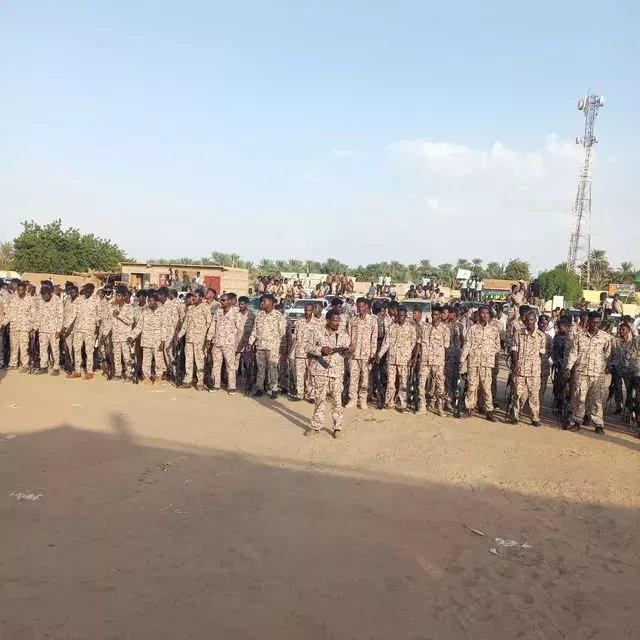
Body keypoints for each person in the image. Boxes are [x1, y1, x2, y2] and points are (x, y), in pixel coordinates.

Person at [565, 311, 612, 435]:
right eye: (593, 322)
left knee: (596, 400)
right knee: (579, 397)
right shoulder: (580, 336)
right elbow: (573, 353)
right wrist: (568, 368)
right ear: (588, 322)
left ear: (600, 323)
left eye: (598, 322)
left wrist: (600, 365)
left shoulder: (605, 337)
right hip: (581, 373)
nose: (595, 325)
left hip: (597, 375)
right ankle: (576, 422)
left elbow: (607, 353)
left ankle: (598, 424)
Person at [306, 309, 351, 438]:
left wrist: (348, 349)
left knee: (337, 400)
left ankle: (337, 427)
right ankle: (316, 426)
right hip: (321, 371)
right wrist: (321, 349)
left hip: (336, 372)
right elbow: (307, 347)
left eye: (339, 320)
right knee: (319, 399)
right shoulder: (317, 331)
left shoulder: (343, 334)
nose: (338, 323)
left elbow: (348, 347)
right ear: (328, 320)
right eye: (335, 320)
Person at [460, 305, 501, 421]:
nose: (484, 315)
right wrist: (462, 359)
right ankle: (470, 408)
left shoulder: (494, 330)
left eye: (486, 313)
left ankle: (489, 411)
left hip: (487, 363)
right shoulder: (472, 329)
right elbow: (467, 345)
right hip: (473, 362)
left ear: (489, 315)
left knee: (487, 387)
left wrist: (488, 352)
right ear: (478, 315)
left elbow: (498, 346)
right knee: (472, 386)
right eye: (482, 313)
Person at [377, 306, 417, 412]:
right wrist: (380, 355)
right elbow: (386, 343)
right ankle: (389, 403)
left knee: (403, 383)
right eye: (399, 316)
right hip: (392, 359)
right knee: (390, 382)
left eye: (402, 316)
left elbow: (413, 343)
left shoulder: (411, 328)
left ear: (406, 316)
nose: (400, 318)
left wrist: (408, 353)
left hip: (404, 360)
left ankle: (403, 404)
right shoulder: (391, 327)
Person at [510, 310, 547, 426]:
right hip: (520, 369)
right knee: (517, 394)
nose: (529, 322)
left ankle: (535, 418)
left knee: (534, 395)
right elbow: (514, 349)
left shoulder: (541, 336)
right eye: (527, 320)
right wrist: (516, 364)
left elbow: (541, 353)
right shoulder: (518, 333)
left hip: (534, 371)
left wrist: (534, 364)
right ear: (524, 321)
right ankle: (515, 415)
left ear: (535, 321)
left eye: (532, 320)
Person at [248, 294, 285, 399]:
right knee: (260, 368)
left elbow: (282, 332)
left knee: (273, 368)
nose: (262, 303)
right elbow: (255, 330)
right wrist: (250, 343)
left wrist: (282, 347)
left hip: (273, 347)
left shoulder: (278, 315)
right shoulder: (259, 314)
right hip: (260, 346)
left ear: (270, 303)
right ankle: (260, 388)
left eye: (264, 301)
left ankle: (274, 389)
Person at [206, 293, 242, 394]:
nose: (221, 302)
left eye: (223, 300)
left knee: (230, 365)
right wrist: (209, 339)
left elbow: (240, 330)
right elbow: (213, 326)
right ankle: (216, 384)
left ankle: (232, 386)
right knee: (216, 364)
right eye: (221, 300)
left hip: (229, 344)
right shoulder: (218, 312)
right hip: (217, 342)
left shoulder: (236, 313)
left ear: (230, 301)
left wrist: (237, 343)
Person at [417, 305, 450, 415]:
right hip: (425, 361)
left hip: (438, 361)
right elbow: (419, 343)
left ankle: (439, 407)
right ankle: (422, 406)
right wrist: (417, 356)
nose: (434, 317)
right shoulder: (425, 327)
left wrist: (444, 362)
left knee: (440, 386)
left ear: (440, 316)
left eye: (436, 315)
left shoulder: (445, 329)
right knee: (421, 384)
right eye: (432, 315)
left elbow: (446, 346)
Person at [176, 289, 211, 390]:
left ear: (201, 297)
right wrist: (179, 335)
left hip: (200, 339)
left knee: (199, 360)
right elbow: (186, 324)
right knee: (189, 360)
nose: (193, 298)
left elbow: (209, 324)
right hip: (189, 339)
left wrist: (208, 338)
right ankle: (188, 380)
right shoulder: (190, 308)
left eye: (195, 297)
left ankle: (200, 382)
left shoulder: (206, 308)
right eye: (192, 297)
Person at [345, 298, 377, 409]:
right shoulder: (352, 320)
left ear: (366, 307)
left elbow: (374, 338)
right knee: (353, 378)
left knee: (365, 379)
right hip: (354, 355)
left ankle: (362, 400)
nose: (360, 309)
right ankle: (352, 399)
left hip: (366, 354)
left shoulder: (372, 320)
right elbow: (348, 336)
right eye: (358, 306)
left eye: (362, 306)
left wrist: (373, 354)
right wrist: (349, 352)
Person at [67, 283, 100, 379]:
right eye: (86, 290)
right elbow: (73, 314)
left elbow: (100, 314)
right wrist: (66, 327)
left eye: (90, 290)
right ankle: (77, 371)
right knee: (76, 349)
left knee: (89, 351)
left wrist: (96, 324)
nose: (87, 292)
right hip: (78, 329)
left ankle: (89, 372)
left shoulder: (96, 300)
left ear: (93, 291)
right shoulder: (79, 299)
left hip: (89, 330)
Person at [129, 292, 163, 385]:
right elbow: (139, 326)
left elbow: (164, 327)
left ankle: (159, 377)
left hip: (157, 340)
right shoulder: (145, 312)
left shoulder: (162, 312)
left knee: (158, 360)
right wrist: (132, 336)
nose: (149, 303)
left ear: (156, 301)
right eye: (148, 301)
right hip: (146, 340)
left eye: (151, 301)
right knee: (146, 361)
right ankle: (146, 377)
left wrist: (163, 341)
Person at [289, 302, 321, 402]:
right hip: (299, 352)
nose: (307, 312)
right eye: (305, 310)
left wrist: (316, 354)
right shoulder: (299, 322)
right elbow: (295, 338)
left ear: (313, 310)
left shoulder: (317, 323)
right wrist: (290, 351)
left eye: (309, 310)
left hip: (311, 354)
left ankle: (310, 395)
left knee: (311, 375)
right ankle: (299, 394)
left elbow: (319, 340)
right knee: (299, 374)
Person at [34, 285, 63, 375]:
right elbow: (38, 315)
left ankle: (56, 368)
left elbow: (60, 316)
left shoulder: (57, 301)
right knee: (43, 349)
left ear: (50, 293)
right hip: (43, 329)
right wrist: (35, 327)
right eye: (43, 296)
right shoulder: (40, 301)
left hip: (54, 330)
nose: (45, 297)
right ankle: (43, 366)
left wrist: (59, 330)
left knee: (55, 350)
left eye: (47, 295)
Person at [6, 281, 34, 371]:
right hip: (14, 326)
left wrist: (34, 327)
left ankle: (25, 365)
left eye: (22, 290)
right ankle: (13, 364)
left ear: (25, 290)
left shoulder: (30, 299)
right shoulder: (13, 298)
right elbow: (9, 312)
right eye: (18, 290)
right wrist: (3, 323)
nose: (20, 292)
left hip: (25, 327)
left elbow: (34, 314)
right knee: (14, 346)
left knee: (24, 347)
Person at [609, 322, 634, 414]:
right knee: (617, 388)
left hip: (628, 370)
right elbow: (610, 355)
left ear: (628, 331)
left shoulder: (633, 342)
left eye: (623, 329)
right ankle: (618, 405)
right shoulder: (614, 341)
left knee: (629, 389)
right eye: (620, 329)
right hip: (616, 369)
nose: (620, 331)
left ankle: (629, 406)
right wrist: (609, 366)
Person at [537, 315, 553, 406]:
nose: (544, 325)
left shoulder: (549, 338)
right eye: (542, 323)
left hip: (544, 367)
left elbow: (550, 352)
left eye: (546, 324)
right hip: (532, 367)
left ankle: (537, 408)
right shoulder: (532, 334)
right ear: (538, 323)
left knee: (542, 389)